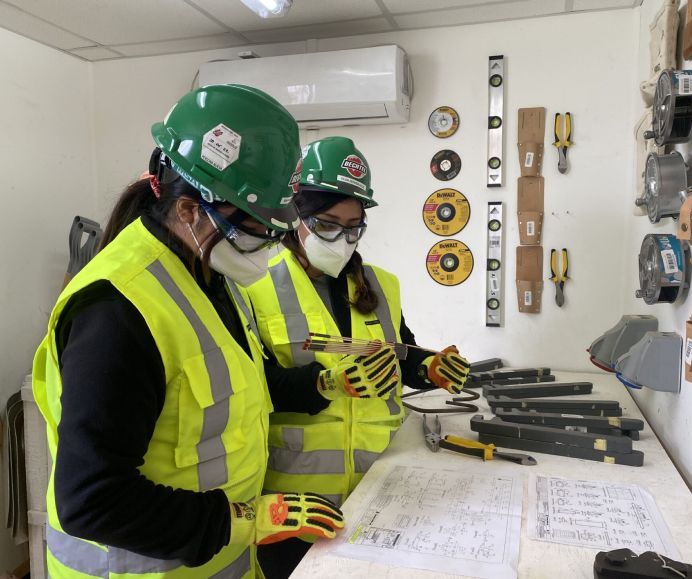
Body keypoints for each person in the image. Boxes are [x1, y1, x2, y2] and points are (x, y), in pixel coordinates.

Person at [31, 85, 344, 579]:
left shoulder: (210, 270)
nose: (271, 246)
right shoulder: (118, 311)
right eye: (259, 229)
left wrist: (322, 385)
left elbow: (246, 387)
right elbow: (92, 500)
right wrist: (240, 519)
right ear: (189, 210)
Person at [246, 136, 471, 577]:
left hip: (378, 485)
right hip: (295, 498)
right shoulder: (253, 283)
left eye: (354, 227)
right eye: (328, 224)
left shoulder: (379, 283)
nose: (342, 239)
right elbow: (252, 385)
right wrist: (328, 384)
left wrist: (427, 368)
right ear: (296, 216)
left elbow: (399, 353)